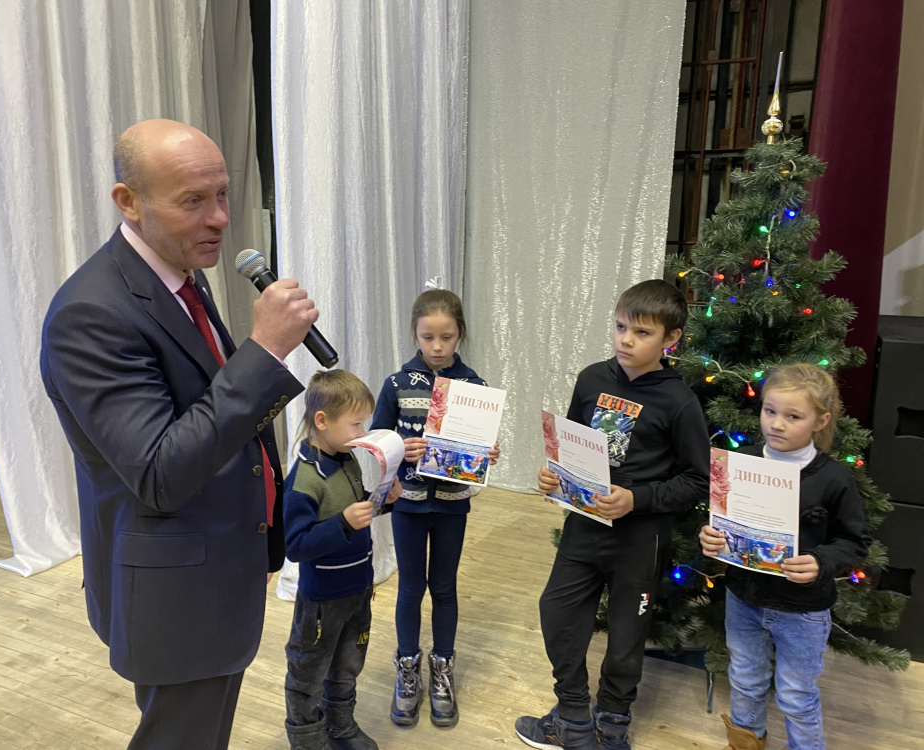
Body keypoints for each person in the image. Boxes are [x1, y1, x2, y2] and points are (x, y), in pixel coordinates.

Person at [40, 119, 317, 749]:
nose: (219, 218)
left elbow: (207, 409)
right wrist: (265, 352)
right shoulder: (90, 314)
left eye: (221, 194)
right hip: (176, 593)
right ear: (128, 202)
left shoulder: (180, 274)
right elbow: (159, 473)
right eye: (192, 200)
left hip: (218, 566)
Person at [515, 279, 709, 750]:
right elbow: (570, 446)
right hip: (584, 527)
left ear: (671, 339)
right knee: (557, 612)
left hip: (640, 539)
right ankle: (573, 716)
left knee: (626, 637)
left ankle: (613, 723)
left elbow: (698, 480)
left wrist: (636, 499)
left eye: (642, 332)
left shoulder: (679, 401)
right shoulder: (591, 380)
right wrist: (553, 475)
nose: (626, 340)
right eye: (621, 327)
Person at [699, 364, 871, 750]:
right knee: (745, 679)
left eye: (793, 416)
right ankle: (745, 743)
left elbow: (855, 542)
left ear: (820, 421)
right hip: (744, 598)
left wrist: (822, 561)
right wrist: (708, 535)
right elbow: (719, 520)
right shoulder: (738, 463)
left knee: (796, 695)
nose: (777, 424)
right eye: (769, 410)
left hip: (802, 611)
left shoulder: (834, 479)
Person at [371, 287, 500, 728]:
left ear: (460, 333)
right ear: (415, 333)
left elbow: (480, 446)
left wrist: (487, 454)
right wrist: (399, 447)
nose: (438, 346)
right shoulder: (396, 384)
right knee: (410, 587)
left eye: (447, 337)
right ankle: (407, 667)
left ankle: (442, 666)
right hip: (408, 505)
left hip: (451, 505)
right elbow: (377, 440)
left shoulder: (476, 387)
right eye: (428, 337)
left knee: (444, 588)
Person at [282, 369, 401, 750]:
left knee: (348, 666)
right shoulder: (304, 479)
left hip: (357, 589)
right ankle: (308, 741)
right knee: (308, 674)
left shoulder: (347, 459)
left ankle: (340, 727)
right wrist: (343, 523)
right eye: (356, 423)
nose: (363, 432)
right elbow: (296, 545)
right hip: (321, 600)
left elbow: (354, 509)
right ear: (322, 421)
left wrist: (382, 501)